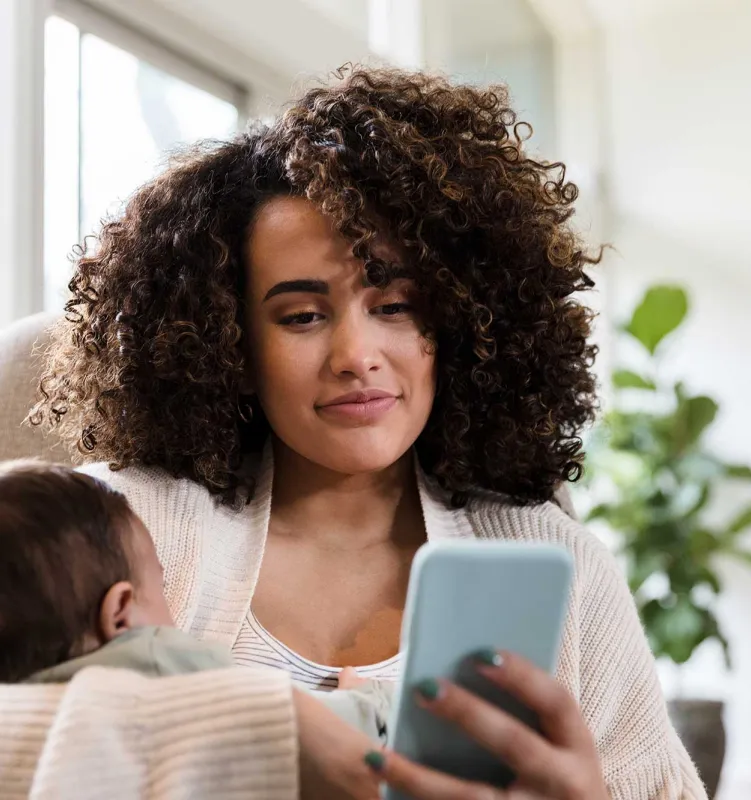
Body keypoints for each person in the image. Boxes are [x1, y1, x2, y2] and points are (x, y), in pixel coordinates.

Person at [3, 66, 706, 799]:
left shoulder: (562, 568)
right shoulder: (118, 530)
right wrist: (262, 733)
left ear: (460, 321)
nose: (356, 356)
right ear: (229, 341)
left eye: (396, 305)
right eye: (302, 316)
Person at [0, 459, 391, 744]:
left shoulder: (23, 713)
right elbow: (291, 727)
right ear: (121, 614)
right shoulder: (159, 663)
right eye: (159, 585)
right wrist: (367, 701)